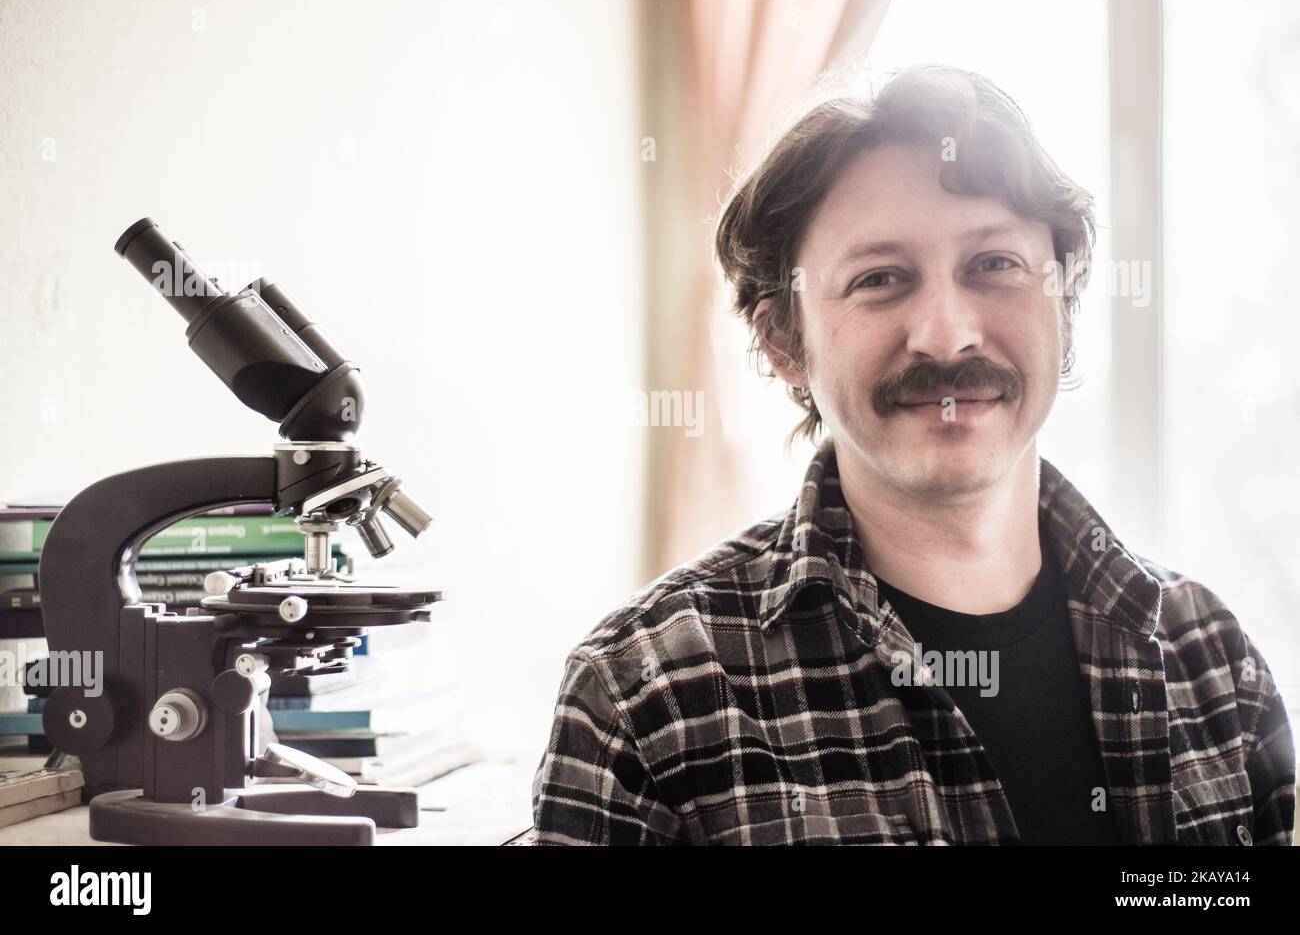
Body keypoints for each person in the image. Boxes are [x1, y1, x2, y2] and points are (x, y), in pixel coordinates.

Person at [531, 66, 1296, 845]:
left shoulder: (1212, 660)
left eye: (993, 264)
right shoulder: (642, 696)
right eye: (879, 279)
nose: (946, 332)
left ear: (1064, 301)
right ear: (784, 341)